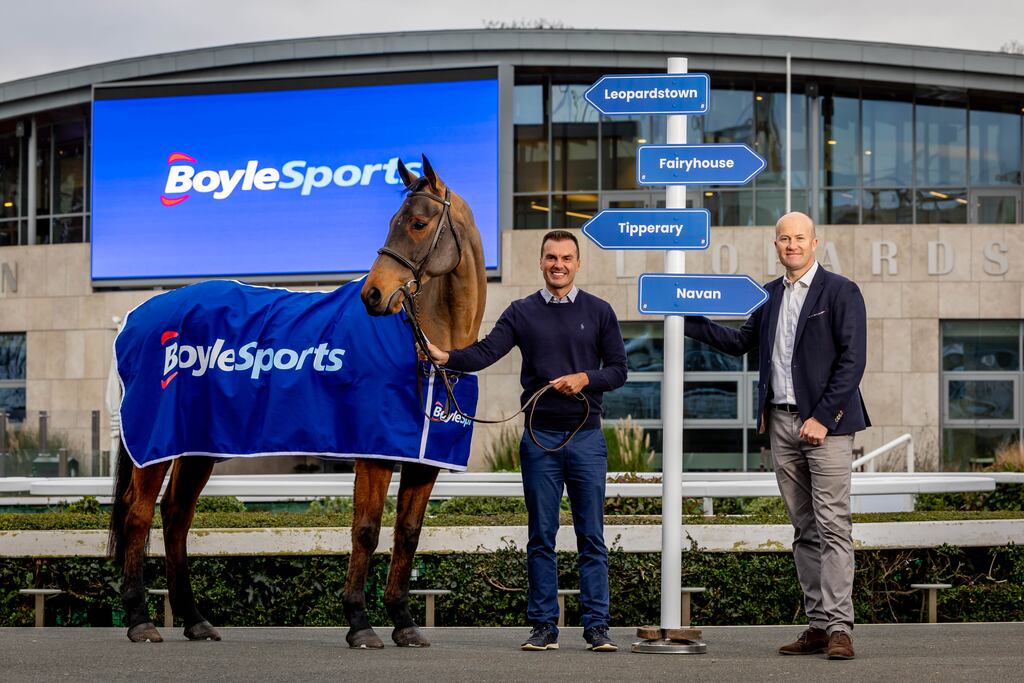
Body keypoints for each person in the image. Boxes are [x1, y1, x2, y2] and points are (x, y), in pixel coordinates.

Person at [426, 230, 627, 653]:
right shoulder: (521, 312)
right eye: (551, 257)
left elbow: (619, 371)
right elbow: (484, 353)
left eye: (567, 258)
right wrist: (446, 356)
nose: (559, 264)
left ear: (578, 263)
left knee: (592, 536)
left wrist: (585, 378)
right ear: (540, 262)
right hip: (539, 440)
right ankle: (543, 627)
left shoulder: (600, 311)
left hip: (587, 439)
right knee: (542, 536)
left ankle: (597, 628)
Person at [684, 211, 869, 660]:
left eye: (799, 238)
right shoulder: (767, 296)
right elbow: (739, 342)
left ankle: (842, 627)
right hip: (781, 425)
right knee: (804, 528)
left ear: (814, 242)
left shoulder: (842, 292)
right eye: (784, 238)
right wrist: (685, 316)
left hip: (827, 428)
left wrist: (823, 416)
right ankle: (819, 625)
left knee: (833, 527)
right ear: (776, 245)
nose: (792, 245)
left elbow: (853, 360)